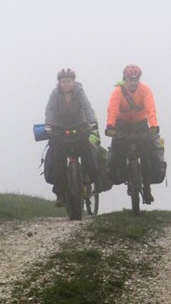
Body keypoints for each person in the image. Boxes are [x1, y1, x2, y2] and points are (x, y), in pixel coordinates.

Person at [104, 64, 160, 204]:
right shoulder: (118, 92)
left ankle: (147, 189)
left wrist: (153, 125)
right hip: (122, 124)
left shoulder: (145, 89)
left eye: (136, 79)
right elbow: (112, 109)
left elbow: (150, 108)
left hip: (140, 123)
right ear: (125, 79)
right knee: (117, 151)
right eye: (130, 79)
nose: (133, 82)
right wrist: (110, 126)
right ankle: (121, 175)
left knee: (147, 154)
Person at [44, 68, 99, 207]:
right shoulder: (55, 94)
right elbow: (50, 109)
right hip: (59, 128)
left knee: (87, 150)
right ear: (59, 83)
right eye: (63, 82)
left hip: (79, 125)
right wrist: (48, 125)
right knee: (57, 157)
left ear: (73, 82)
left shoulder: (79, 92)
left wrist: (92, 121)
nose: (66, 84)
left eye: (69, 81)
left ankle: (87, 179)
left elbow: (87, 107)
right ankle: (60, 193)